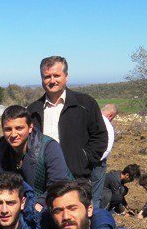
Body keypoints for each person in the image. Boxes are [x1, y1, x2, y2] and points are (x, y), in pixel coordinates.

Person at [27, 56, 107, 207]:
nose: (52, 80)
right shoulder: (33, 110)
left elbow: (100, 136)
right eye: (47, 76)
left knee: (76, 226)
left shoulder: (85, 104)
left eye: (56, 75)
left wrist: (83, 160)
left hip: (77, 180)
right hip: (43, 184)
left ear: (66, 76)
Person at [0, 104, 72, 203]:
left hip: (54, 202)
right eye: (8, 129)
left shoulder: (49, 147)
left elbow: (59, 184)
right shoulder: (0, 150)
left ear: (30, 127)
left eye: (19, 128)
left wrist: (38, 205)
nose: (13, 134)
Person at [90, 103, 118, 207]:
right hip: (97, 163)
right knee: (95, 194)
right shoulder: (106, 124)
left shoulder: (89, 118)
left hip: (81, 161)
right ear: (111, 115)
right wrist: (96, 159)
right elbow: (106, 148)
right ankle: (93, 218)